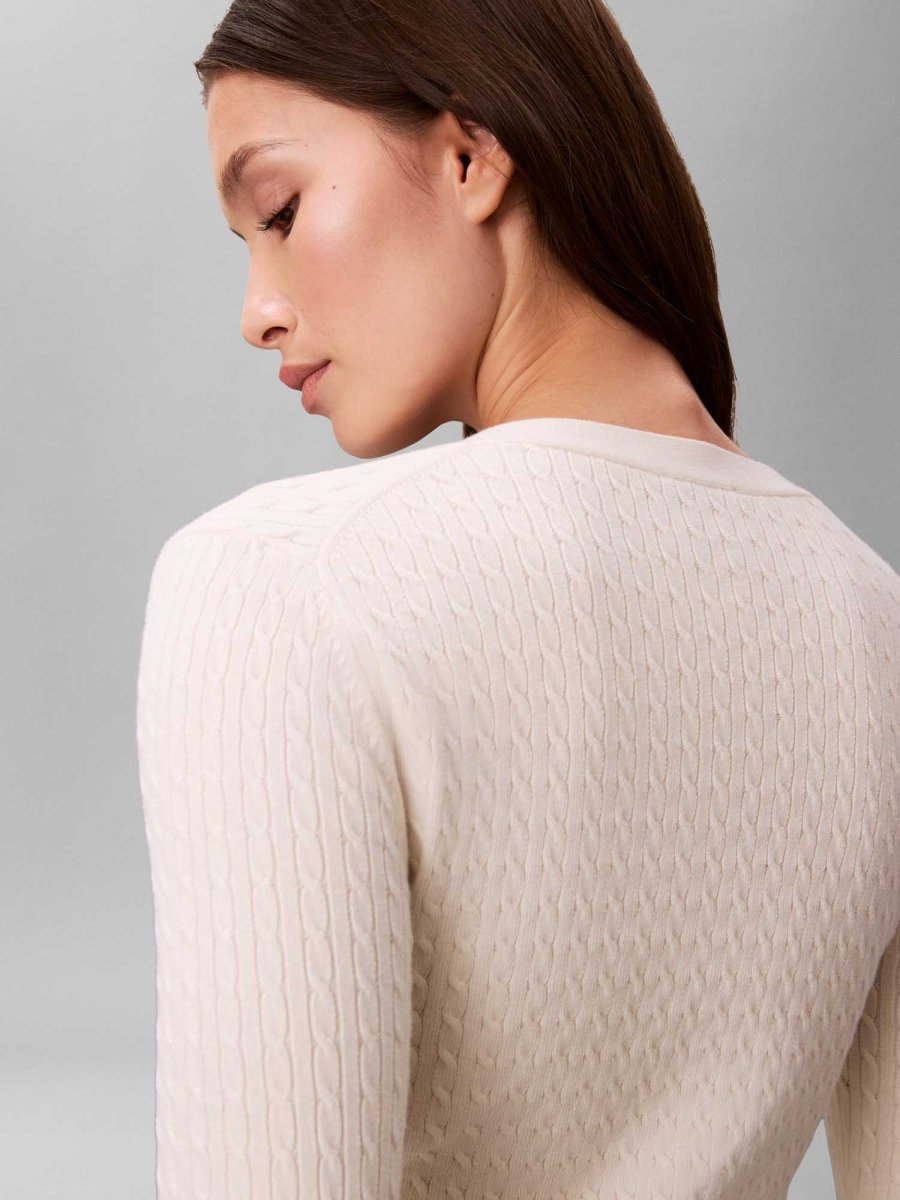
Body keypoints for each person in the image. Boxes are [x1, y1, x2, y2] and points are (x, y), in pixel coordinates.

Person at [135, 1, 900, 1197]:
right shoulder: (875, 624)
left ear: (470, 156)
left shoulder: (275, 587)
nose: (257, 310)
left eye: (280, 212)